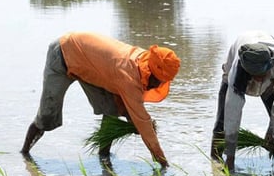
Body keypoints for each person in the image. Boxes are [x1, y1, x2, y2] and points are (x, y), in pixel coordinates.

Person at [21, 32, 181, 168]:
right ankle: (25, 154)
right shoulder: (129, 75)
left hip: (89, 64)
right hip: (63, 54)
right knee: (47, 116)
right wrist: (162, 161)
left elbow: (132, 111)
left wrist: (136, 123)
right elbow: (141, 119)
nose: (158, 84)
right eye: (158, 80)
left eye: (163, 81)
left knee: (112, 109)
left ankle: (104, 156)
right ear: (150, 71)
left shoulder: (142, 61)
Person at [211, 31, 274, 171]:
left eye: (262, 75)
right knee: (222, 123)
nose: (259, 79)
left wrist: (272, 132)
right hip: (237, 73)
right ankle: (215, 161)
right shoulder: (237, 71)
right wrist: (230, 157)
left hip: (270, 81)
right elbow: (233, 112)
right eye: (255, 75)